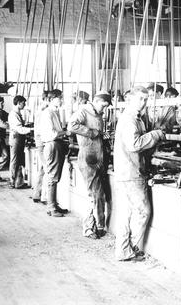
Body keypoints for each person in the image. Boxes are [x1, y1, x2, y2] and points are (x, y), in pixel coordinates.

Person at [113, 86, 164, 261]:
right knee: (143, 211)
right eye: (140, 99)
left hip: (127, 171)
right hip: (131, 172)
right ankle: (132, 248)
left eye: (146, 99)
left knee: (126, 213)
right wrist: (155, 135)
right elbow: (134, 144)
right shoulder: (129, 119)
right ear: (131, 99)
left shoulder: (137, 118)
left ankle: (124, 251)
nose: (143, 102)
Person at [68, 92, 112, 239]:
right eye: (103, 106)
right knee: (94, 194)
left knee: (97, 194)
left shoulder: (98, 114)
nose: (103, 109)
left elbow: (97, 133)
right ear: (96, 101)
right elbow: (72, 125)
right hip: (88, 157)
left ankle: (97, 226)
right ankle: (89, 228)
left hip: (98, 157)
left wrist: (102, 135)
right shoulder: (83, 111)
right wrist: (92, 133)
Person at [39, 89, 70, 217]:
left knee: (55, 177)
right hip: (52, 145)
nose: (62, 100)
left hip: (56, 144)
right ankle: (51, 207)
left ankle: (54, 205)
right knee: (52, 176)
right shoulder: (47, 113)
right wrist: (66, 133)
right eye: (60, 98)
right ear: (52, 99)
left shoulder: (55, 112)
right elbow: (51, 133)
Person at [8, 95, 32, 189]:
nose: (24, 104)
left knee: (19, 160)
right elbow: (19, 129)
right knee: (15, 161)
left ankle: (18, 182)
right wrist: (31, 129)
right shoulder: (13, 114)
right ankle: (12, 181)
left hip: (19, 138)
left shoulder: (17, 113)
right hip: (16, 138)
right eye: (23, 103)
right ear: (18, 103)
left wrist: (27, 125)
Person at [31, 91, 50, 204]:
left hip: (40, 141)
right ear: (48, 99)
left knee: (43, 168)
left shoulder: (40, 109)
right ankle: (45, 197)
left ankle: (37, 193)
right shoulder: (44, 111)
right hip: (42, 142)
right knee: (48, 169)